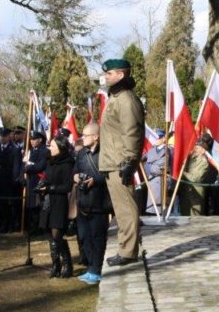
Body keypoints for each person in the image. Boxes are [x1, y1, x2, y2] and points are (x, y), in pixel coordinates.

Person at [99, 58, 145, 266]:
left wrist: (129, 161)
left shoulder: (126, 100)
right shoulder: (117, 98)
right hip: (113, 161)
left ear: (121, 75)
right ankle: (126, 247)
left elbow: (132, 133)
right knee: (121, 208)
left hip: (120, 162)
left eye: (109, 73)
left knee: (126, 207)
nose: (106, 77)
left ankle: (128, 251)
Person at [74, 122, 110, 284]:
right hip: (82, 201)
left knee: (97, 237)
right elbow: (74, 171)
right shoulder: (81, 153)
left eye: (86, 135)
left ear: (96, 137)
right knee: (83, 236)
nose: (83, 138)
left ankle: (96, 270)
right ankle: (91, 267)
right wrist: (75, 177)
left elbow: (110, 175)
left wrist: (94, 180)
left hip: (99, 202)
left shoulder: (106, 153)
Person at [37, 134, 76, 278]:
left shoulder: (68, 163)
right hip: (48, 202)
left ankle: (67, 264)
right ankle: (55, 265)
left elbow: (67, 186)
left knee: (57, 234)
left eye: (53, 146)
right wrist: (42, 186)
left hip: (59, 202)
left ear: (60, 147)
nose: (50, 148)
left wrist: (51, 188)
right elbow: (47, 178)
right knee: (49, 235)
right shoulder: (50, 161)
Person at [180, 135, 218, 216]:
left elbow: (196, 178)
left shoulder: (204, 162)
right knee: (184, 217)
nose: (195, 149)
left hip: (196, 195)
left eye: (198, 147)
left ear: (203, 150)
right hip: (185, 193)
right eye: (195, 146)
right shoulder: (190, 158)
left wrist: (182, 173)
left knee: (196, 219)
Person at [22, 131, 49, 236]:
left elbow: (40, 167)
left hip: (39, 181)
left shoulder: (45, 151)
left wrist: (28, 168)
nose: (32, 141)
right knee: (31, 205)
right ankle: (33, 226)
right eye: (31, 139)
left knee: (38, 205)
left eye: (34, 139)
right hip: (30, 180)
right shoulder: (31, 151)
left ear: (40, 140)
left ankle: (39, 227)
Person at [143, 130, 173, 215]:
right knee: (151, 208)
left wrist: (148, 166)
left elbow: (162, 166)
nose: (156, 140)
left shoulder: (167, 150)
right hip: (150, 180)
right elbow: (142, 159)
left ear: (164, 138)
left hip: (161, 180)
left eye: (158, 137)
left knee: (159, 209)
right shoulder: (151, 149)